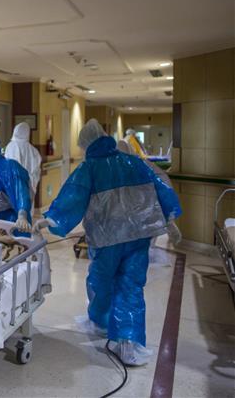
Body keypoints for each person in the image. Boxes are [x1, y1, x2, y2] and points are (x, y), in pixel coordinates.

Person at [33, 119, 182, 366]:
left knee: (101, 281)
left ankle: (100, 322)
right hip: (138, 236)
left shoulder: (89, 167)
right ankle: (129, 343)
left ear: (87, 144)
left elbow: (73, 196)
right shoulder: (135, 162)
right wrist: (170, 217)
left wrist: (50, 219)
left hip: (108, 238)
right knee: (131, 286)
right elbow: (161, 186)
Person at [4, 122, 42, 209]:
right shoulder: (33, 150)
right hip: (29, 185)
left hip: (13, 186)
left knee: (13, 211)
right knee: (27, 209)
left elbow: (8, 166)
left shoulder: (11, 146)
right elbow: (36, 171)